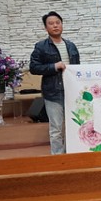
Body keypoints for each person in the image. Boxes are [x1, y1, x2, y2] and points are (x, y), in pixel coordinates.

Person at [30, 11, 80, 155]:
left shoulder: (71, 46)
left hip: (71, 92)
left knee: (73, 125)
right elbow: (34, 68)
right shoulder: (41, 46)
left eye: (58, 22)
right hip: (52, 93)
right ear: (46, 28)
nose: (55, 26)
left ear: (62, 25)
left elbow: (77, 68)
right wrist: (53, 66)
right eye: (51, 24)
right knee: (56, 128)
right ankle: (58, 157)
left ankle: (71, 154)